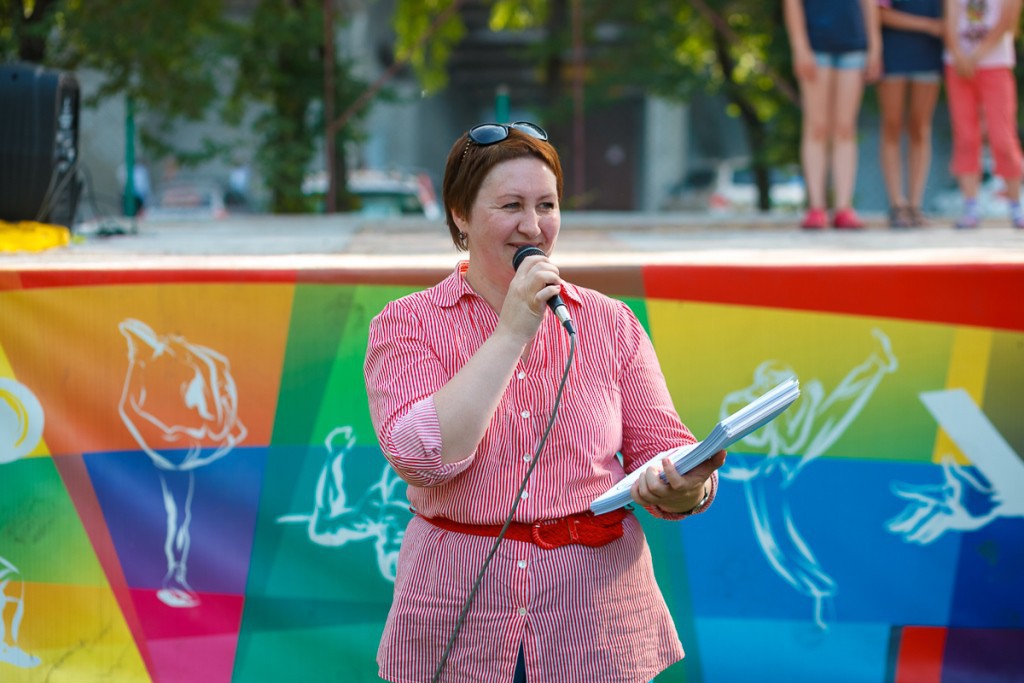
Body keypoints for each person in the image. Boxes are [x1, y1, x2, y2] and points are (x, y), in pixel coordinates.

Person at [363, 122, 726, 683]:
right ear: (460, 214)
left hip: (596, 627)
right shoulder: (407, 323)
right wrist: (512, 330)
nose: (533, 226)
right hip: (455, 619)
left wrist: (686, 487)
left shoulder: (609, 322)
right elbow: (420, 457)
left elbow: (666, 451)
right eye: (511, 205)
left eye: (547, 205)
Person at [784, 0, 882, 229]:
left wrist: (875, 47)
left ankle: (843, 208)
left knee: (845, 128)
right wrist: (799, 47)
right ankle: (816, 208)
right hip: (815, 45)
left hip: (854, 45)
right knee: (817, 127)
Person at [943, 0, 1024, 229]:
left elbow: (1007, 22)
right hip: (958, 65)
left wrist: (976, 55)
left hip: (995, 63)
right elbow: (949, 20)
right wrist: (958, 54)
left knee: (1003, 138)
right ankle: (970, 206)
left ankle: (1016, 205)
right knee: (966, 136)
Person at [876, 0, 945, 227]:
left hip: (928, 53)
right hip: (893, 52)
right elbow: (880, 14)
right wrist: (928, 25)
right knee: (892, 125)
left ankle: (915, 205)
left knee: (920, 126)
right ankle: (897, 204)